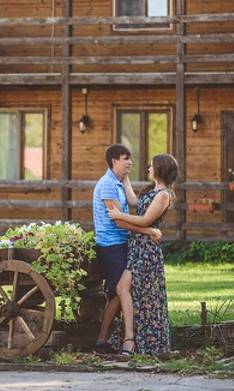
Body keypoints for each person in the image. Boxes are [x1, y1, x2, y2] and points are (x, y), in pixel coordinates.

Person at [92, 144, 162, 355]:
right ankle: (103, 341)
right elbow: (120, 222)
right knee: (118, 292)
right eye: (125, 159)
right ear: (114, 161)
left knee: (122, 290)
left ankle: (117, 338)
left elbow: (132, 204)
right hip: (112, 245)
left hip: (122, 243)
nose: (130, 162)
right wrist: (147, 230)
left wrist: (125, 177)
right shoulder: (107, 185)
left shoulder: (117, 182)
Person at [107, 153, 179, 355]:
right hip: (138, 246)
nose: (148, 168)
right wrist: (125, 175)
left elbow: (146, 220)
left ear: (160, 169)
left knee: (126, 288)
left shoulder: (164, 194)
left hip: (147, 250)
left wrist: (120, 215)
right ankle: (132, 339)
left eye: (151, 166)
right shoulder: (152, 190)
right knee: (133, 291)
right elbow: (133, 200)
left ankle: (130, 340)